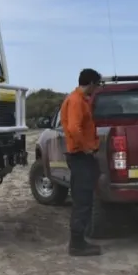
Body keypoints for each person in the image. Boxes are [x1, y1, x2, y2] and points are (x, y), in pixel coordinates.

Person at [60, 67, 103, 256]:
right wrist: (86, 148)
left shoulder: (78, 99)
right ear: (92, 83)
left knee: (84, 198)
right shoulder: (76, 101)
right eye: (97, 84)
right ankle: (77, 245)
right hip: (79, 156)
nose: (97, 88)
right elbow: (74, 128)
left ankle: (80, 241)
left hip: (82, 156)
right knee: (82, 200)